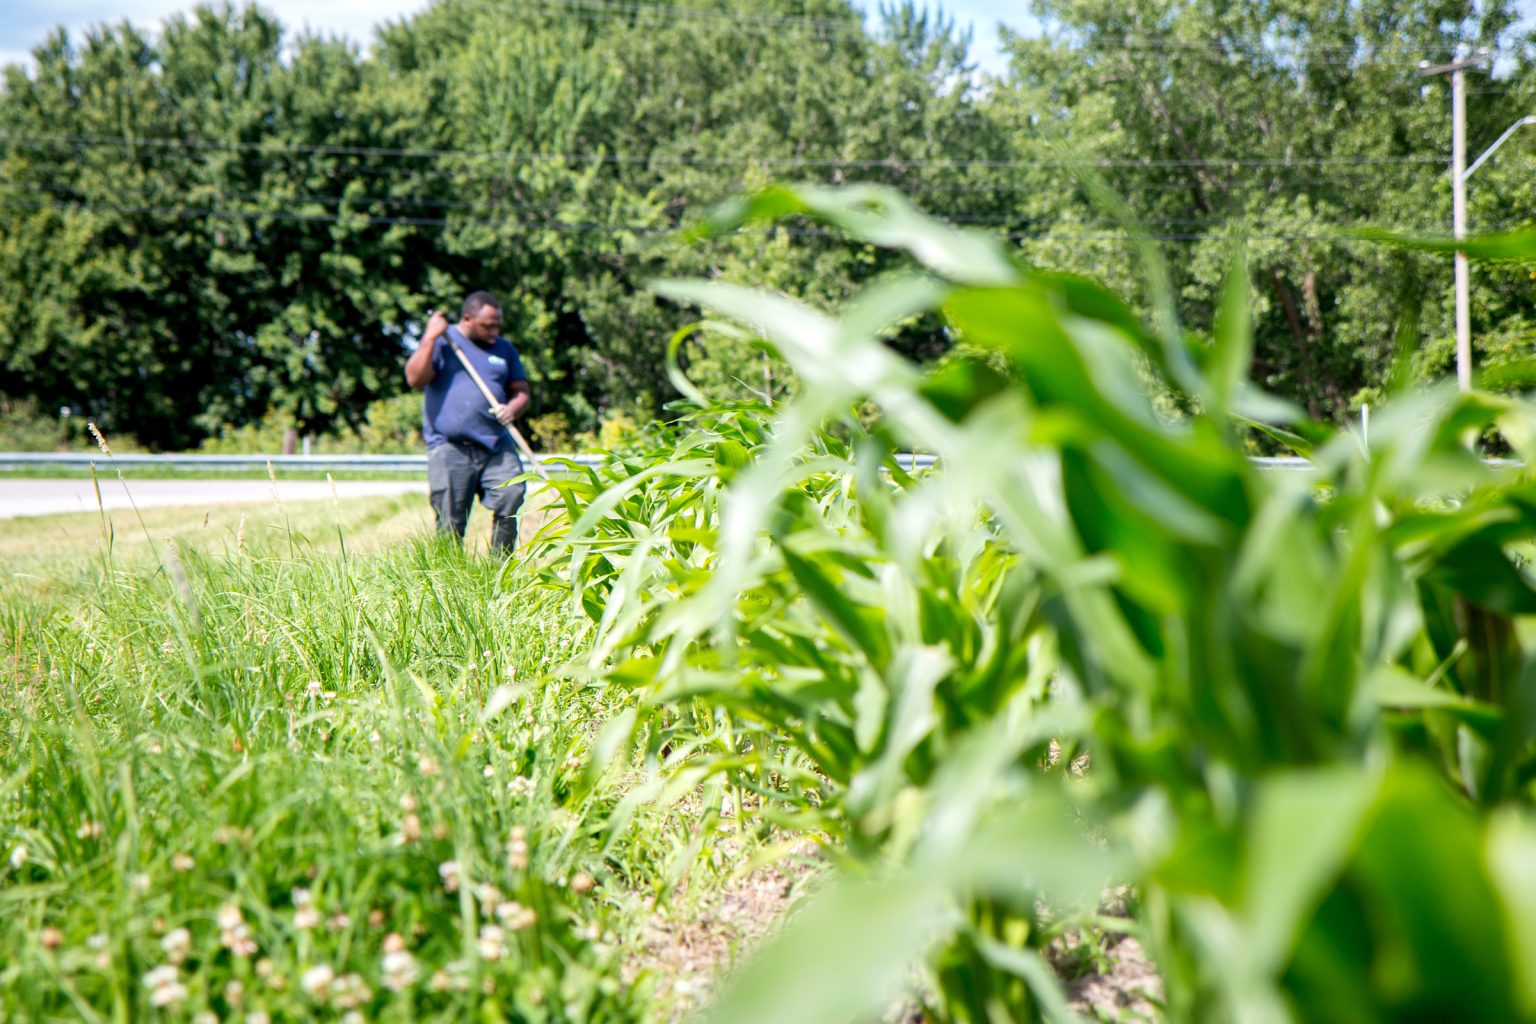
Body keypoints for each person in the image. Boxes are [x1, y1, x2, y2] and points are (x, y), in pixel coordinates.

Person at [405, 290, 531, 553]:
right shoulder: (443, 342)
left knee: (512, 494)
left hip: (496, 445)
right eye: (487, 326)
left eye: (498, 325)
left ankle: (499, 567)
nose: (494, 331)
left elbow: (521, 392)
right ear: (467, 319)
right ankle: (450, 572)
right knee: (450, 521)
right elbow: (414, 379)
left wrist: (512, 409)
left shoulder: (504, 350)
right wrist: (430, 336)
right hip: (450, 447)